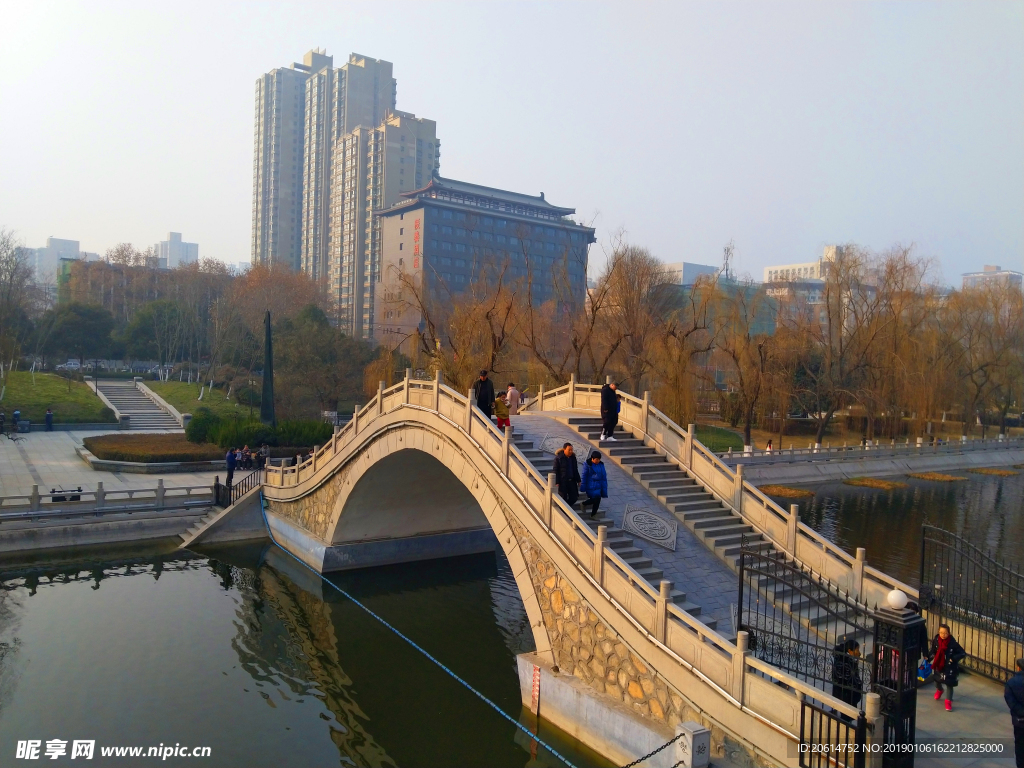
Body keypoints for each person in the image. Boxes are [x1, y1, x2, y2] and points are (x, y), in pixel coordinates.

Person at [927, 623, 967, 711]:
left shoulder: (952, 643)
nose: (943, 635)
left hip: (949, 667)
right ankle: (939, 690)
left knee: (949, 684)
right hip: (939, 665)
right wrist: (929, 658)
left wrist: (953, 658)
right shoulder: (936, 640)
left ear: (949, 633)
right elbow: (933, 650)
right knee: (936, 681)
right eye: (941, 632)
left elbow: (962, 653)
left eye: (945, 633)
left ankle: (948, 701)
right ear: (938, 632)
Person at [830, 638, 863, 716]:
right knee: (847, 716)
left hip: (841, 692)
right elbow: (852, 679)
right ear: (850, 651)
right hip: (846, 694)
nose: (859, 653)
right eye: (857, 650)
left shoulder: (844, 659)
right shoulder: (846, 663)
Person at [1004, 657, 1024, 768]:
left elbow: (1010, 702)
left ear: (1018, 668)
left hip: (1020, 721)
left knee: (1020, 749)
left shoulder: (1012, 683)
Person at [580, 450, 608, 517]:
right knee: (596, 499)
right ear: (592, 458)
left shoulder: (601, 465)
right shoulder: (588, 465)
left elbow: (603, 476)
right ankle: (584, 503)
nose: (598, 461)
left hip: (599, 485)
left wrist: (604, 487)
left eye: (599, 459)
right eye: (596, 459)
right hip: (591, 486)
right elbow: (584, 476)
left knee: (598, 500)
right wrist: (583, 487)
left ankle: (593, 514)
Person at [553, 442, 581, 507]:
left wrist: (579, 480)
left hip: (572, 481)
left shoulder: (573, 458)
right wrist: (557, 482)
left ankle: (566, 508)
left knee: (574, 498)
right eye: (569, 450)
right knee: (563, 498)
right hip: (563, 481)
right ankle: (564, 511)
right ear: (564, 449)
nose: (571, 451)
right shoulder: (559, 458)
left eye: (572, 450)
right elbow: (555, 470)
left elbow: (575, 470)